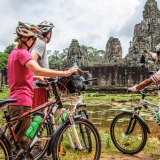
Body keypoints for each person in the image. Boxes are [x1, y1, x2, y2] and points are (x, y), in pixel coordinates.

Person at [7, 21, 78, 150]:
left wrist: (34, 77)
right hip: (22, 101)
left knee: (13, 140)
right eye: (33, 40)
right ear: (28, 39)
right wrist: (66, 72)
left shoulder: (13, 53)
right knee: (22, 142)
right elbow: (39, 69)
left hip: (13, 100)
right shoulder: (23, 54)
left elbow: (18, 75)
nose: (34, 43)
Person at [31, 20, 54, 109]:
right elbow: (33, 59)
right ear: (48, 34)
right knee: (40, 117)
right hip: (38, 86)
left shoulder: (33, 43)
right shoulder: (40, 43)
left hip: (34, 85)